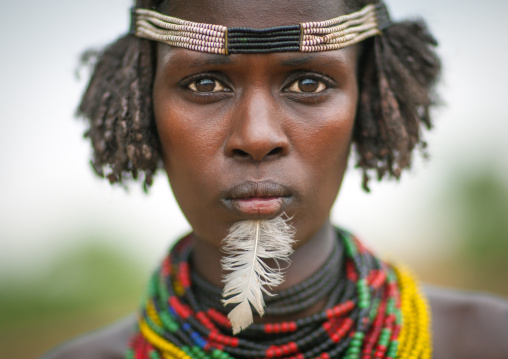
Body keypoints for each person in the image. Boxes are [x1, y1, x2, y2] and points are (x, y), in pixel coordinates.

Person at [41, 0, 508, 358]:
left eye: (309, 83)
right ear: (141, 105)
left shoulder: (485, 342)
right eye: (205, 83)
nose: (257, 135)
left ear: (369, 104)